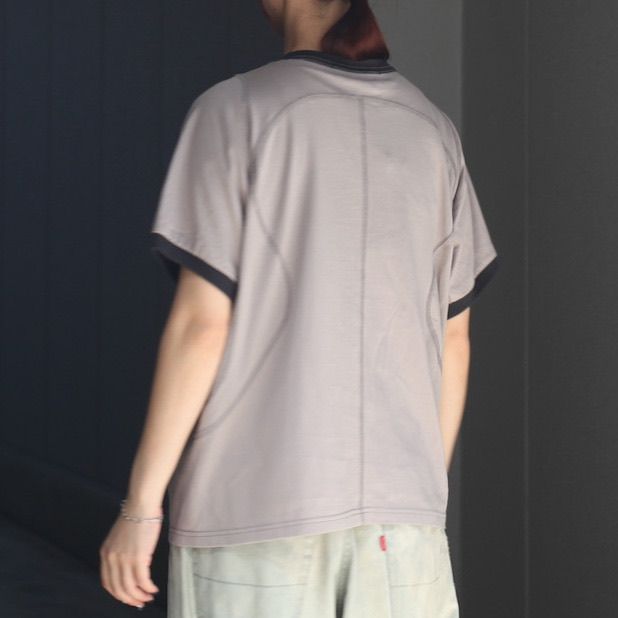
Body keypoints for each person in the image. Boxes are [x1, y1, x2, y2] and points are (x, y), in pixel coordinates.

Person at [99, 0, 500, 616]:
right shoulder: (433, 129)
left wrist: (140, 508)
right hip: (405, 527)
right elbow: (455, 339)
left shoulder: (236, 109)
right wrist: (416, 494)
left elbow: (204, 325)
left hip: (255, 520)